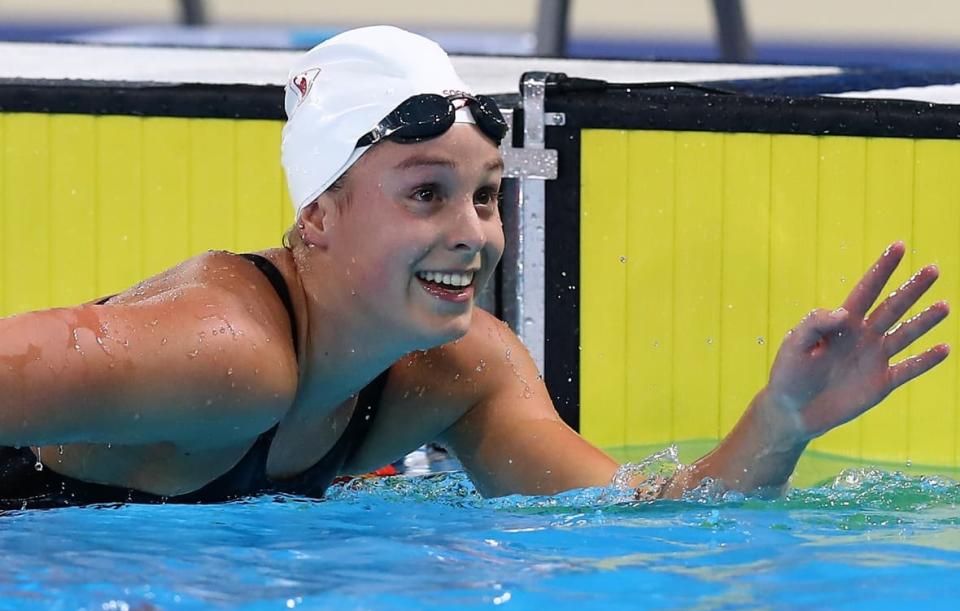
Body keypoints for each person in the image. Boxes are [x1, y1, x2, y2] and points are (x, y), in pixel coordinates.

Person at [0, 26, 949, 510]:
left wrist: (779, 422)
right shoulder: (224, 348)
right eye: (426, 195)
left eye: (487, 195)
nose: (473, 233)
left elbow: (631, 523)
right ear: (318, 218)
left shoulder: (461, 370)